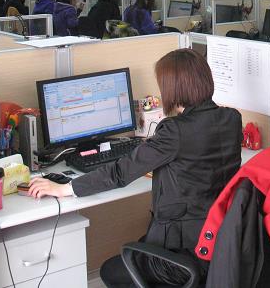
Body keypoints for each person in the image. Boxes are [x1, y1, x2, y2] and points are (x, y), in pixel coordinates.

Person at [28, 48, 242, 288]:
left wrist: (65, 188)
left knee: (110, 270)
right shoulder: (232, 118)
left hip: (184, 254)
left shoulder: (175, 131)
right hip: (219, 245)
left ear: (173, 88)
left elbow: (120, 172)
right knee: (141, 244)